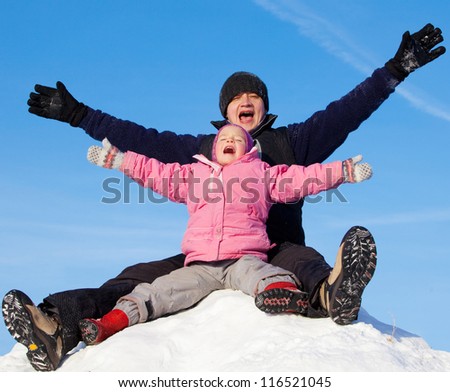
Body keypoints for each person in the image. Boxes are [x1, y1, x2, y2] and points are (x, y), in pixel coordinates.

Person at [2, 23, 445, 372]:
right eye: (238, 97)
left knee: (301, 261)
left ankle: (333, 293)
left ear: (264, 108)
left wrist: (395, 69)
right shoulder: (201, 153)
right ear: (225, 113)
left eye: (255, 96)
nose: (247, 100)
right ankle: (56, 325)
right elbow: (141, 142)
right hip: (204, 252)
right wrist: (80, 114)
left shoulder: (291, 144)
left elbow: (346, 112)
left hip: (269, 249)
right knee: (133, 278)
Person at [78, 124, 372, 344]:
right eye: (225, 139)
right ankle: (110, 323)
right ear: (214, 148)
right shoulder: (194, 175)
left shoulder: (262, 174)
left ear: (248, 149)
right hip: (200, 265)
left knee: (260, 275)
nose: (231, 141)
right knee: (158, 290)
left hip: (243, 257)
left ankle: (282, 295)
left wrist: (343, 171)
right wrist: (119, 160)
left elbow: (302, 178)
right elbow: (158, 173)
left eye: (238, 140)